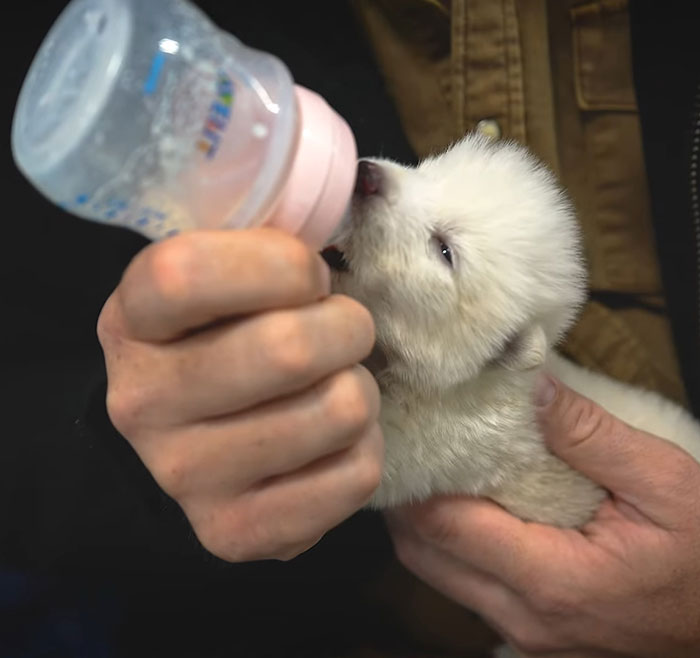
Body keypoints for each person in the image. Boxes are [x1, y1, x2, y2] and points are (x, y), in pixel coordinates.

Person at [3, 1, 698, 657]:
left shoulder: (475, 408)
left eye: (445, 251)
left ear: (505, 350)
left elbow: (382, 462)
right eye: (426, 170)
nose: (384, 176)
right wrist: (136, 445)